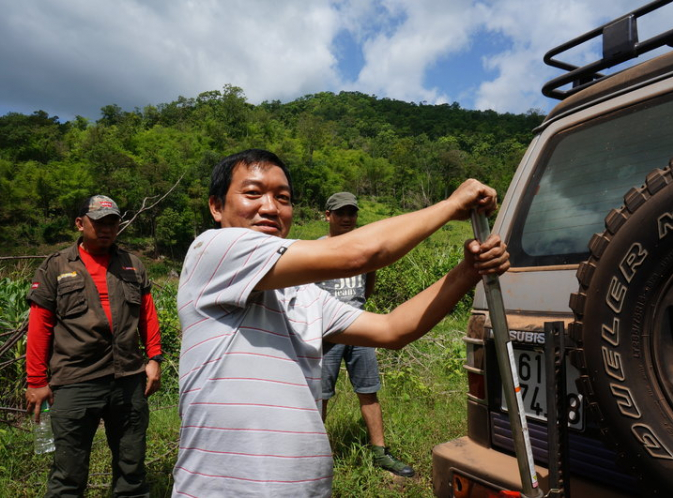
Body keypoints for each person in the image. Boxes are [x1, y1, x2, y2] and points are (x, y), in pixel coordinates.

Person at [173, 149, 509, 497]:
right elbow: (358, 255)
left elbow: (393, 329)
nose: (271, 207)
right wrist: (451, 205)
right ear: (216, 206)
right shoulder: (214, 249)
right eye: (253, 193)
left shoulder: (303, 295)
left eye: (283, 197)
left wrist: (468, 271)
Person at [25, 194, 164, 497]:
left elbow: (147, 315)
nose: (107, 228)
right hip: (75, 381)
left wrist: (154, 358)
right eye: (99, 222)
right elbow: (39, 327)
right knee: (68, 474)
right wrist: (36, 381)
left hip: (128, 379)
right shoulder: (56, 267)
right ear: (79, 223)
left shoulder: (132, 265)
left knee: (132, 469)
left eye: (112, 222)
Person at [317, 191, 414, 478]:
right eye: (340, 213)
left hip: (361, 328)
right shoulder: (318, 248)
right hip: (327, 334)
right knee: (319, 395)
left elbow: (368, 285)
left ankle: (380, 453)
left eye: (351, 213)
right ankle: (316, 456)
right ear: (328, 216)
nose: (347, 218)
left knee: (368, 391)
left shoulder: (363, 247)